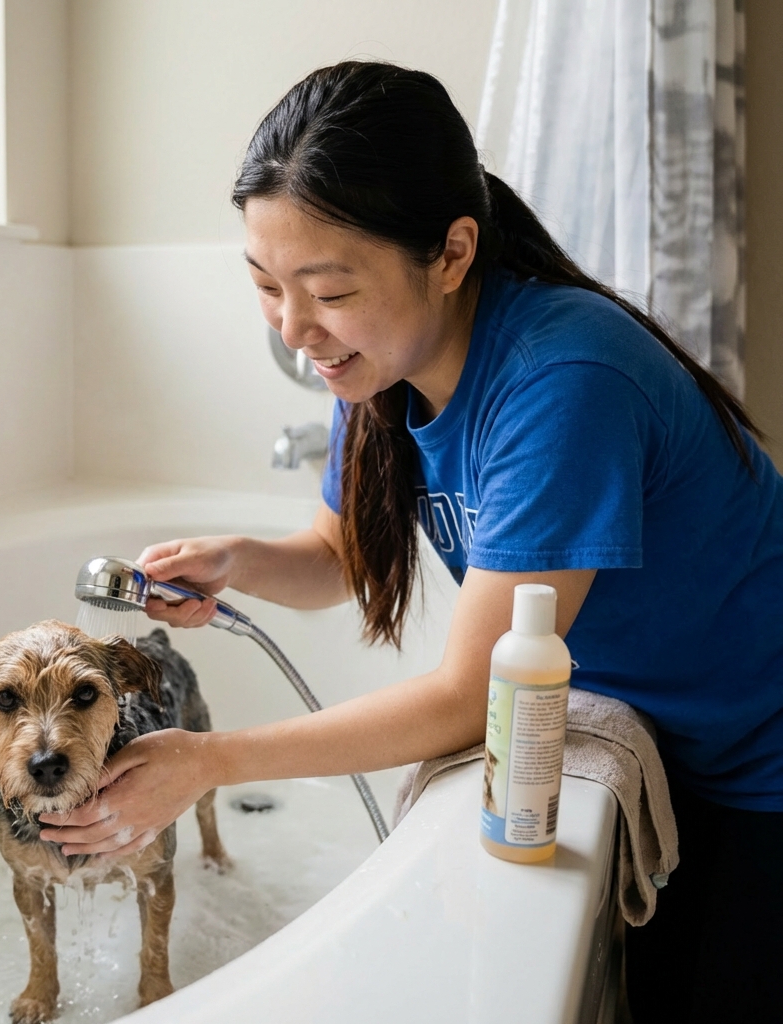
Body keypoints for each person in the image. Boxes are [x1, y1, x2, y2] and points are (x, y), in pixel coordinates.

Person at [40, 62, 783, 1022]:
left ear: (451, 252)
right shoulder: (378, 365)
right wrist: (242, 564)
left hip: (758, 758)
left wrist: (209, 760)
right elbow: (340, 552)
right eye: (267, 285)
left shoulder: (563, 379)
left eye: (328, 290)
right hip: (670, 733)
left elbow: (471, 695)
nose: (297, 330)